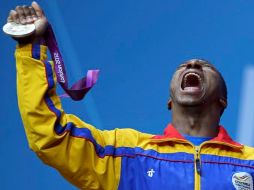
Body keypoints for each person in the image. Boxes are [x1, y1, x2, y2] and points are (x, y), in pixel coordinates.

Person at [8, 2, 254, 190]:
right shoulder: (127, 153)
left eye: (205, 66)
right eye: (183, 66)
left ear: (223, 101)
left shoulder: (249, 164)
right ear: (170, 100)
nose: (192, 64)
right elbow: (52, 134)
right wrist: (31, 46)